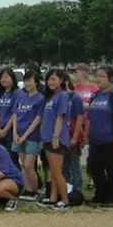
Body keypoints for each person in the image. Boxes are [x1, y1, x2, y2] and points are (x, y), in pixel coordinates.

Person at [86, 66, 113, 207]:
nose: (98, 79)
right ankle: (100, 195)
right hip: (95, 139)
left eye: (102, 76)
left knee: (111, 169)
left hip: (111, 139)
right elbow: (90, 118)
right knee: (95, 168)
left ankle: (112, 198)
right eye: (97, 76)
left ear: (111, 79)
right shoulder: (96, 95)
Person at [38, 69, 71, 211]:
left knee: (57, 172)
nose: (51, 82)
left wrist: (56, 136)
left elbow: (60, 117)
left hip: (56, 139)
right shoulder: (51, 97)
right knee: (52, 170)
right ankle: (53, 198)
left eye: (54, 79)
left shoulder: (62, 96)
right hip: (47, 138)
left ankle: (65, 200)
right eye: (49, 79)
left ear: (61, 80)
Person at [11, 70, 44, 201]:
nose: (27, 83)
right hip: (18, 135)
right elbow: (15, 115)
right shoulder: (20, 97)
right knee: (23, 164)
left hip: (32, 136)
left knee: (30, 165)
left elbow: (37, 119)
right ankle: (27, 188)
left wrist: (25, 135)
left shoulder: (40, 99)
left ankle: (34, 190)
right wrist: (14, 133)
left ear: (36, 82)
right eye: (26, 81)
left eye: (30, 81)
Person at [74, 63, 99, 186]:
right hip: (79, 124)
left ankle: (92, 179)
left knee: (90, 154)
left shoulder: (93, 88)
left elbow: (96, 104)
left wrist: (86, 106)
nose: (75, 74)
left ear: (84, 72)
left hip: (90, 123)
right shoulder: (75, 88)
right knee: (77, 152)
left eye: (77, 71)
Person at [63, 73, 85, 192]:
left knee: (73, 162)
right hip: (63, 136)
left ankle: (77, 187)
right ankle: (67, 187)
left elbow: (79, 118)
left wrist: (75, 137)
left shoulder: (75, 98)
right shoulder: (59, 97)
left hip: (72, 135)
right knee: (64, 164)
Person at [0, 67, 21, 154]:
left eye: (6, 77)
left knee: (12, 158)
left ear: (12, 78)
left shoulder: (17, 93)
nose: (3, 80)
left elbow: (15, 113)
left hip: (11, 132)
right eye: (1, 78)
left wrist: (5, 130)